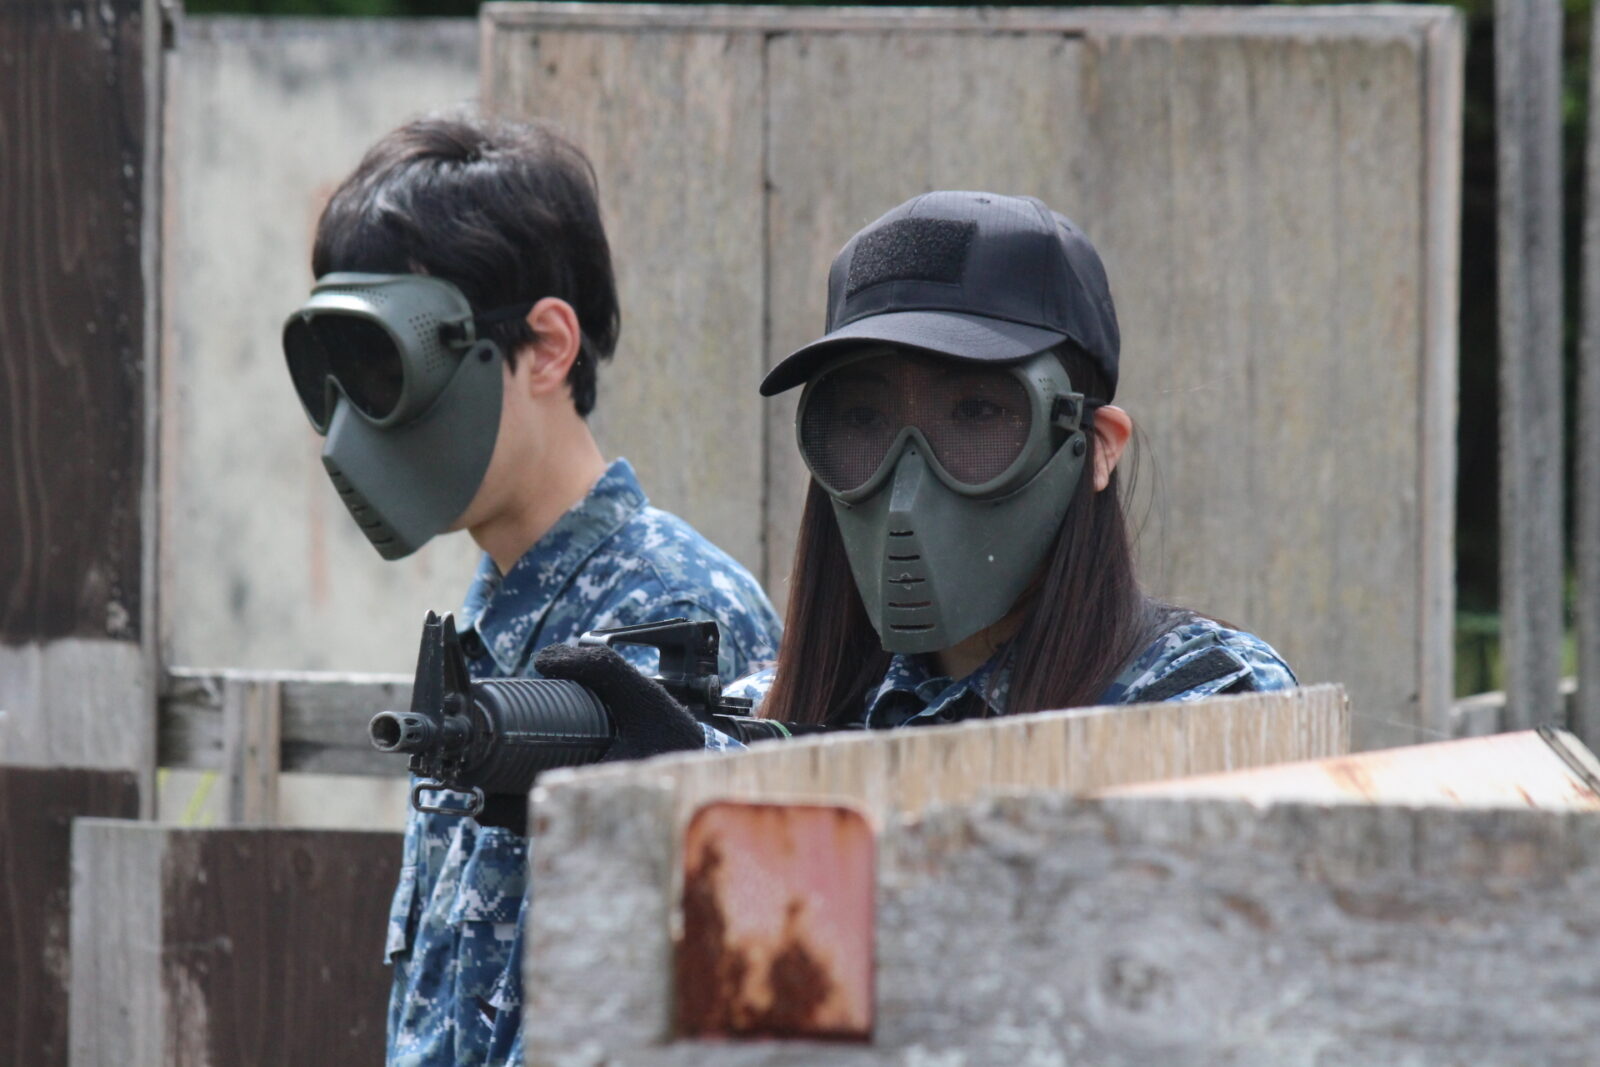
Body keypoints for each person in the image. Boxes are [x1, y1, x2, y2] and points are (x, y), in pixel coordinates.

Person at [281, 114, 782, 1067]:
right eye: (338, 376)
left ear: (546, 347)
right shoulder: (491, 623)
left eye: (388, 367)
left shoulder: (676, 619)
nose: (354, 428)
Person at [541, 189, 1293, 752]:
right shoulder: (763, 717)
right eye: (862, 420)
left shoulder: (1205, 699)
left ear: (1097, 445)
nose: (906, 490)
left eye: (977, 413)